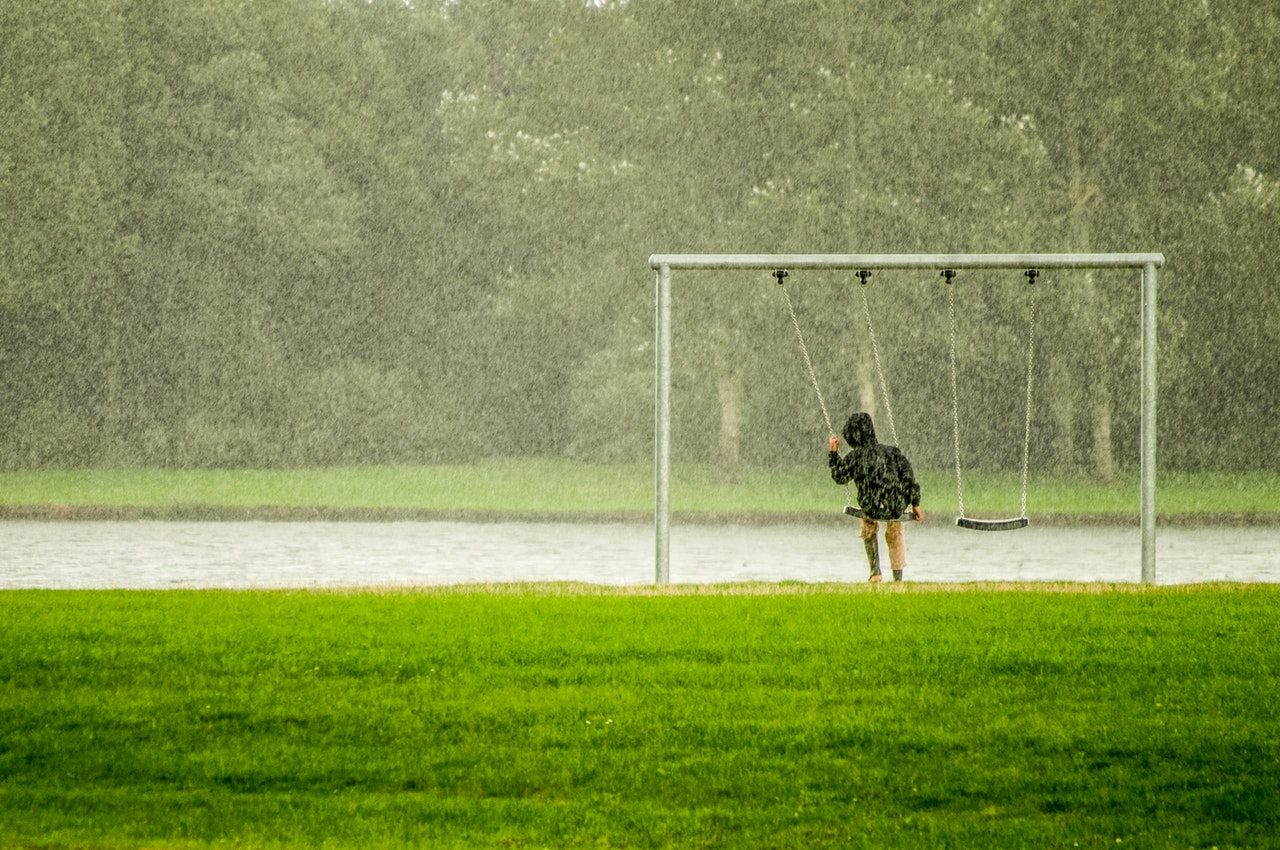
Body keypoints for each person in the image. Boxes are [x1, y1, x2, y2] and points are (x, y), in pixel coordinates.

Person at [828, 411, 923, 583]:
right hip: (895, 506)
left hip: (871, 505)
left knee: (868, 524)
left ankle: (875, 572)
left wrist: (834, 454)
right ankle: (898, 577)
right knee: (895, 530)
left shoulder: (855, 457)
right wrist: (915, 503)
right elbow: (908, 477)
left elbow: (839, 477)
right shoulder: (892, 453)